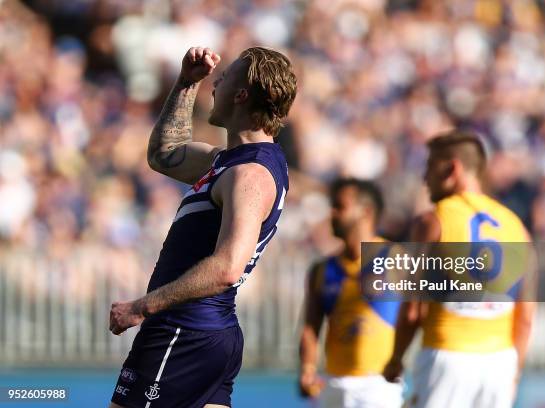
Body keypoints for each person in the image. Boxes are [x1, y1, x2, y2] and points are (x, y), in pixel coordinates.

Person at [108, 46, 297, 408]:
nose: (215, 85)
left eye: (223, 79)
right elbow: (164, 154)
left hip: (184, 331)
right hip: (202, 332)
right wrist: (185, 83)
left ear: (241, 95)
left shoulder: (251, 174)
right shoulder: (228, 162)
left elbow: (227, 268)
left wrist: (142, 307)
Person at [383, 130, 536, 408]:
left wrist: (396, 359)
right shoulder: (517, 226)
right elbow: (525, 316)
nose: (424, 180)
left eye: (429, 168)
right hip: (500, 363)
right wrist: (514, 373)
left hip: (448, 356)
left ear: (452, 169)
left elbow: (413, 309)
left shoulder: (433, 221)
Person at [299, 178, 404, 408]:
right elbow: (311, 327)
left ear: (365, 212)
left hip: (379, 386)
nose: (332, 214)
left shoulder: (397, 260)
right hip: (333, 386)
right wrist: (308, 368)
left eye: (340, 206)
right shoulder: (322, 270)